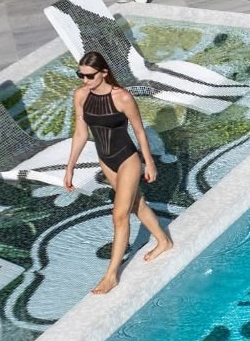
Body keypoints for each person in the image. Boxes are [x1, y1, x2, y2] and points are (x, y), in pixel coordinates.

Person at [63, 51, 172, 294]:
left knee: (119, 215)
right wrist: (70, 167)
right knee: (136, 204)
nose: (85, 80)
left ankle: (111, 275)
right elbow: (80, 133)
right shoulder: (81, 95)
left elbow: (140, 132)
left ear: (103, 73)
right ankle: (164, 241)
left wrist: (149, 163)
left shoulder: (122, 97)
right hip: (105, 160)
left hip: (127, 160)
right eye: (81, 75)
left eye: (89, 76)